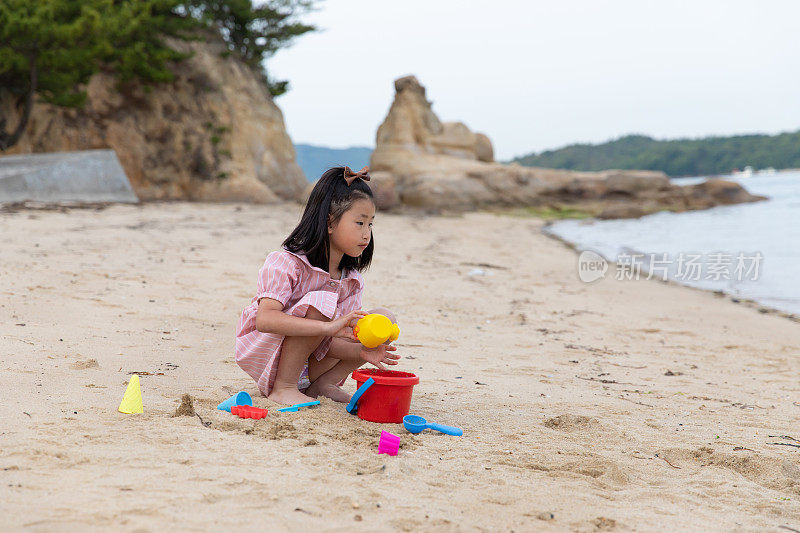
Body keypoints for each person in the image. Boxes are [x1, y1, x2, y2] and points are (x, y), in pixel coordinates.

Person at [234, 166, 400, 405]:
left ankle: (322, 385)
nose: (367, 234)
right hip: (269, 351)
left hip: (312, 357)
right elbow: (265, 320)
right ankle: (284, 387)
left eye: (370, 225)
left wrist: (362, 351)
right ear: (330, 223)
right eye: (359, 223)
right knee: (321, 301)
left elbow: (332, 342)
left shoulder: (350, 280)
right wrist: (326, 328)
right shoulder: (286, 263)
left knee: (383, 319)